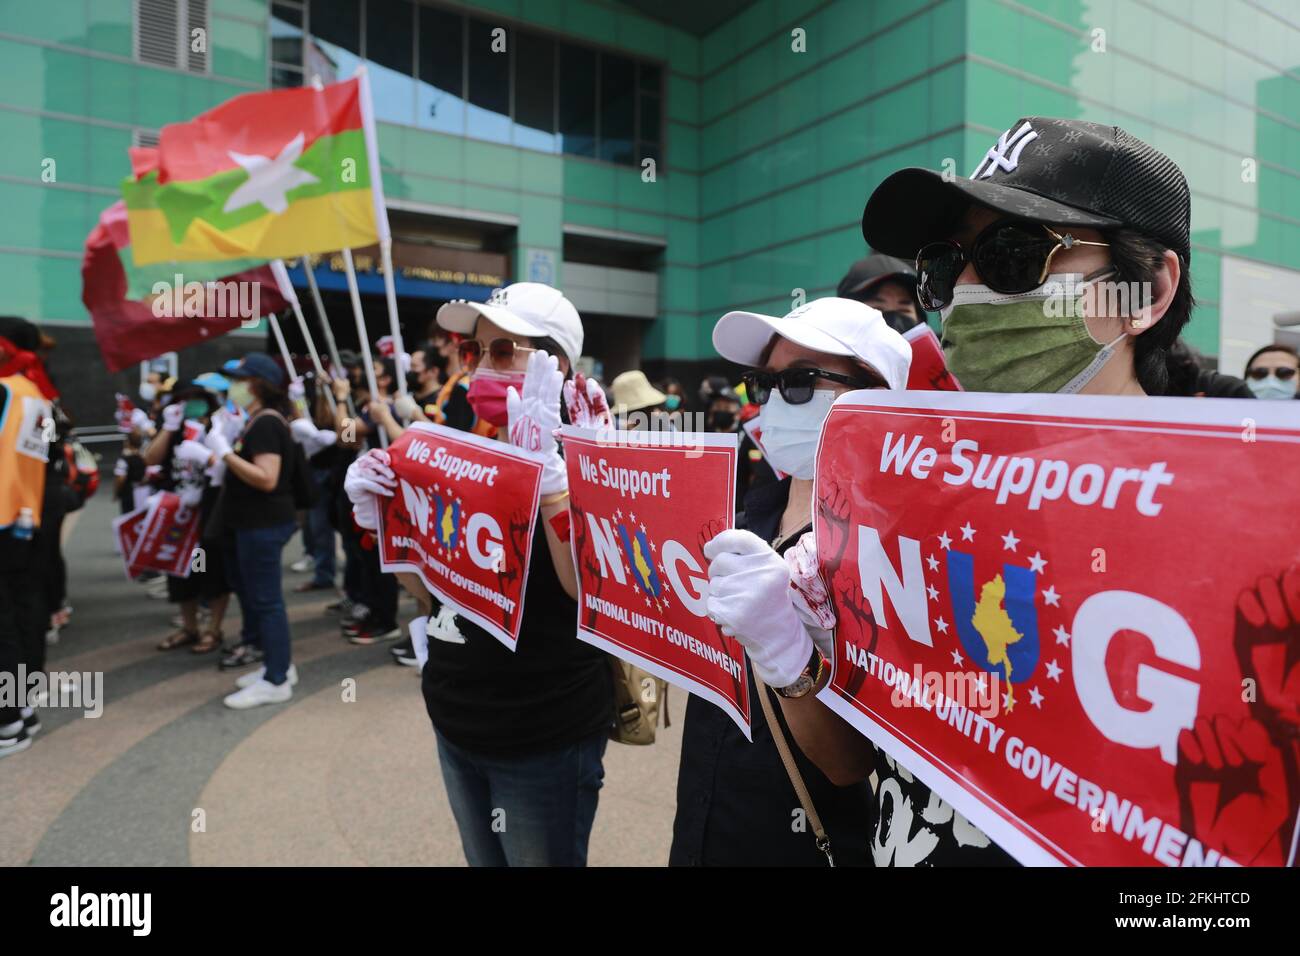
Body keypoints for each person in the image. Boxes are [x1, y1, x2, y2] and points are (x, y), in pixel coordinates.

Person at [722, 114, 1199, 866]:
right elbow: (851, 765)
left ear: (1148, 289)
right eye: (945, 269)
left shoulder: (1237, 540)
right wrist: (791, 659)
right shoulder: (913, 506)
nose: (966, 292)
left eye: (1013, 255)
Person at [346, 282, 615, 866]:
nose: (477, 370)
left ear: (556, 364)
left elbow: (588, 592)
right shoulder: (461, 446)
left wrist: (555, 481)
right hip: (455, 714)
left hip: (542, 732)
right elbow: (433, 594)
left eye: (500, 352)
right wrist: (384, 526)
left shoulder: (595, 449)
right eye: (473, 353)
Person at [671, 297, 907, 867]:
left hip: (802, 843)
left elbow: (849, 764)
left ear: (874, 396)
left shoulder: (891, 544)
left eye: (799, 382)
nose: (773, 402)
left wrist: (790, 654)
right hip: (704, 822)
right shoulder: (754, 500)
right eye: (763, 384)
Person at [194, 353, 299, 707]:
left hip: (263, 523)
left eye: (241, 380)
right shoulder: (258, 420)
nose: (234, 387)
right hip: (254, 522)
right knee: (257, 598)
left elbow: (267, 478)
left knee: (267, 602)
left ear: (258, 385)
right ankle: (276, 664)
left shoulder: (267, 422)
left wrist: (223, 453)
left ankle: (277, 678)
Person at [0, 329, 54, 756]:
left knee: (5, 624)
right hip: (26, 518)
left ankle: (8, 721)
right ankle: (22, 709)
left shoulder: (6, 391)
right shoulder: (36, 391)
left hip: (3, 517)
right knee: (20, 614)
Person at [148, 384, 233, 654]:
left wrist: (207, 454)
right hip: (179, 518)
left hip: (208, 518)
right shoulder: (174, 430)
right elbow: (150, 458)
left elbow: (226, 463)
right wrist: (169, 427)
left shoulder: (218, 429)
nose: (192, 407)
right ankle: (190, 626)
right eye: (186, 402)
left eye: (197, 401)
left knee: (210, 571)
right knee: (182, 573)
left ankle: (214, 629)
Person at [836, 253, 925, 333]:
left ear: (920, 319)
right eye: (877, 309)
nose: (894, 320)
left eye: (904, 310)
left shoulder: (936, 350)